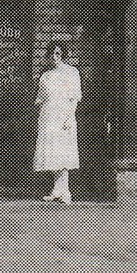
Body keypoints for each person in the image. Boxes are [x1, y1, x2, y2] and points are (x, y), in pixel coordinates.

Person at [34, 41, 81, 204]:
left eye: (58, 54)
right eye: (52, 54)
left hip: (64, 117)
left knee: (63, 152)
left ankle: (66, 191)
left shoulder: (71, 73)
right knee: (52, 152)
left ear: (63, 55)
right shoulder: (46, 76)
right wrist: (42, 117)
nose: (54, 57)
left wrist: (69, 117)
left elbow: (74, 98)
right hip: (49, 117)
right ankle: (56, 190)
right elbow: (40, 99)